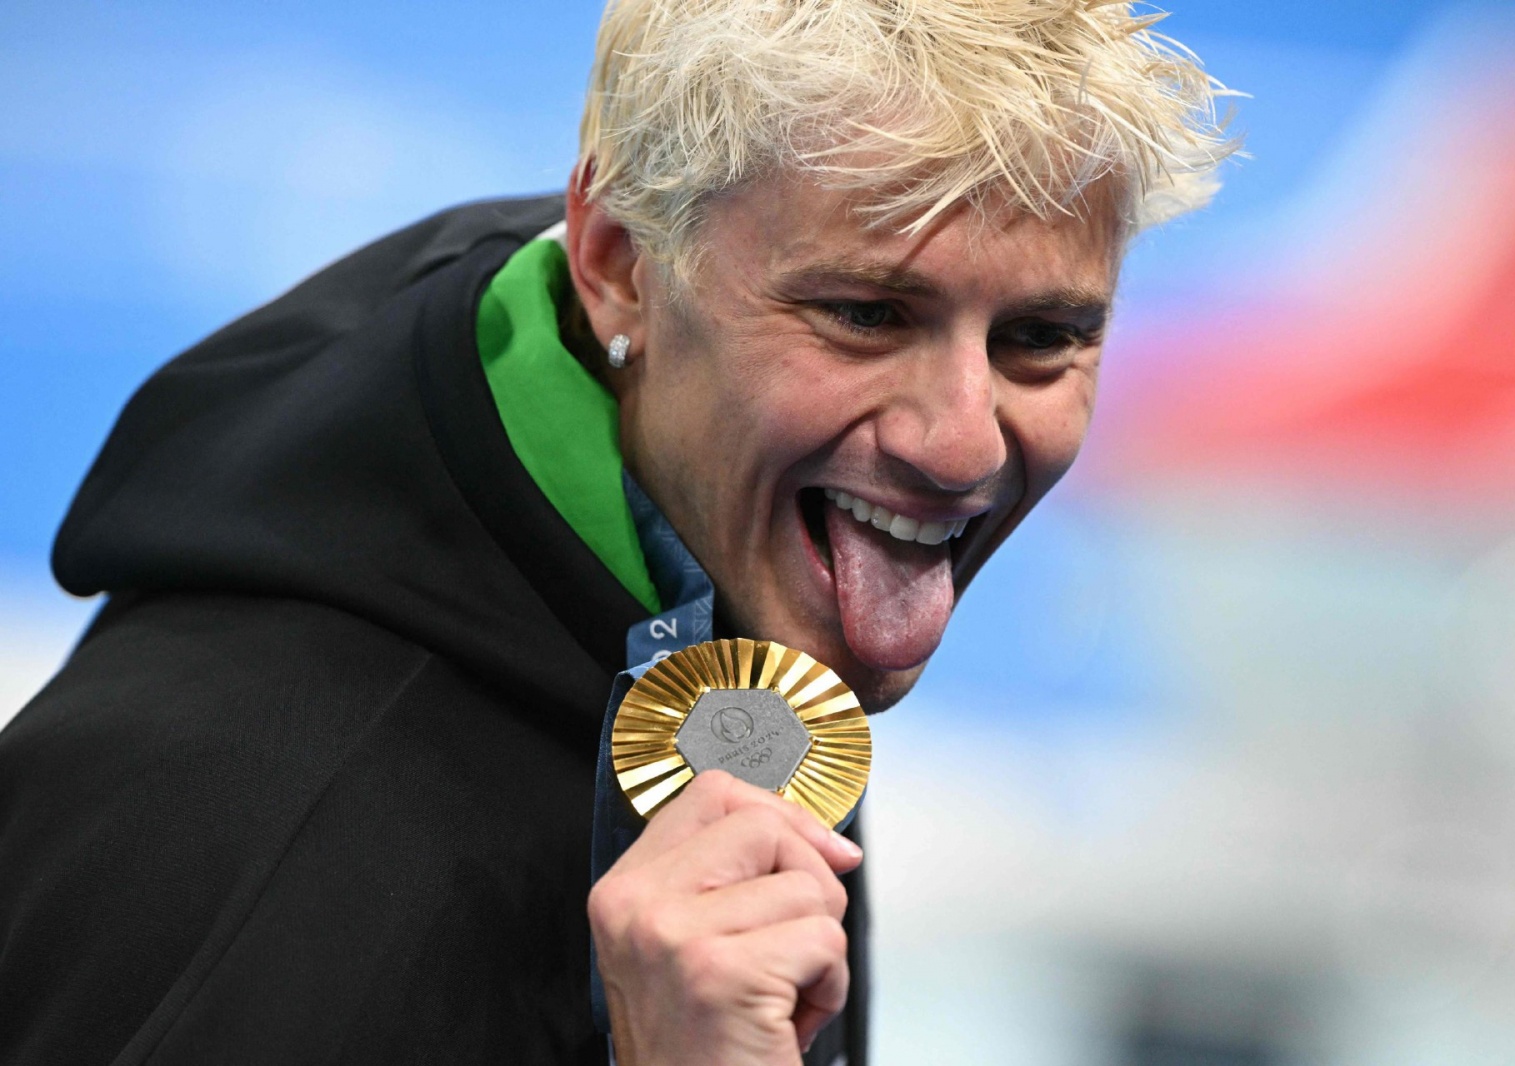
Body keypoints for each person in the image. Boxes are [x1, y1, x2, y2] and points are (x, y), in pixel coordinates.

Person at [0, 1, 1230, 1063]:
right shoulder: (250, 855)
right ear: (615, 259)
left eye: (1041, 339)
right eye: (865, 314)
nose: (962, 443)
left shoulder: (715, 575)